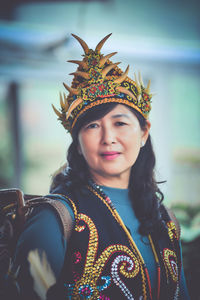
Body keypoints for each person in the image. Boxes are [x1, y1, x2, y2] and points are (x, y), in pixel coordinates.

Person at [8, 33, 190, 300]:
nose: (108, 138)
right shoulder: (55, 218)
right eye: (92, 126)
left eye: (120, 123)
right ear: (78, 142)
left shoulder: (165, 219)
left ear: (143, 132)